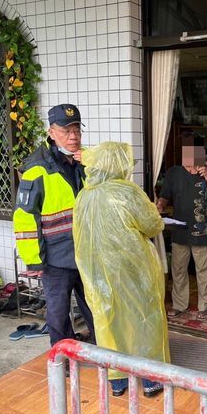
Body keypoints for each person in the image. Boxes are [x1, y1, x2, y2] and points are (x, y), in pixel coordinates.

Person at [73, 142, 168, 398]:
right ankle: (150, 380)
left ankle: (117, 382)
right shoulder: (127, 192)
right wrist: (156, 214)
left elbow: (79, 236)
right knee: (143, 318)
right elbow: (152, 225)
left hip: (97, 274)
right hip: (133, 269)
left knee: (108, 322)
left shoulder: (84, 195)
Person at [13, 104, 95, 348]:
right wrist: (34, 260)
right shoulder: (36, 169)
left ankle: (104, 353)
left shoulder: (86, 160)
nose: (73, 136)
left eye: (77, 129)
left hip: (86, 252)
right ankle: (63, 358)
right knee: (58, 313)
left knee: (95, 307)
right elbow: (25, 218)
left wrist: (92, 164)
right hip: (56, 258)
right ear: (51, 132)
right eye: (66, 130)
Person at [156, 137, 207, 320]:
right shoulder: (174, 173)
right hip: (180, 229)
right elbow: (165, 196)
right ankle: (179, 304)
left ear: (201, 155)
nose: (187, 157)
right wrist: (159, 204)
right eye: (186, 153)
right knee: (179, 269)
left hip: (202, 231)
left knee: (204, 270)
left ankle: (206, 305)